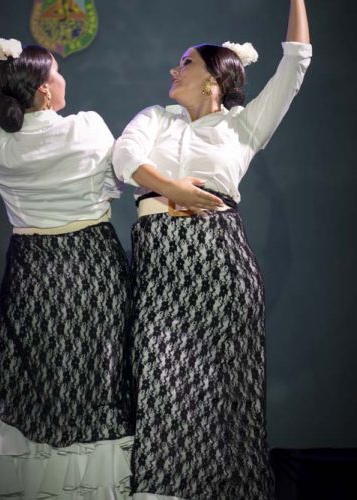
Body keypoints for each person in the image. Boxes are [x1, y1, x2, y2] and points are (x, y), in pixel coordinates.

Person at [0, 1, 133, 498]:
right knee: (95, 384)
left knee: (21, 385)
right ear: (44, 90)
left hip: (32, 273)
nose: (63, 78)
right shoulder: (86, 127)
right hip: (92, 268)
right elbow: (122, 179)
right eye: (57, 72)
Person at [113, 0, 311, 498]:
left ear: (212, 79)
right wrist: (173, 189)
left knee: (226, 393)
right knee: (161, 385)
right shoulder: (156, 116)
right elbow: (124, 158)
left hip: (220, 260)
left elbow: (296, 61)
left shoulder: (244, 125)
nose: (174, 70)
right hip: (161, 261)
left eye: (186, 62)